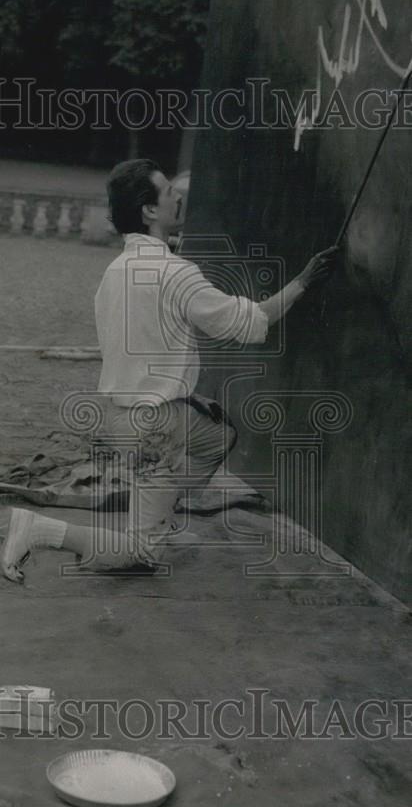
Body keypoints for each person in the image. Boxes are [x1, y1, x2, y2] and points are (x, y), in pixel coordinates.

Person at [1, 159, 337, 582]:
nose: (178, 195)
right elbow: (252, 321)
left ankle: (161, 508)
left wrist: (184, 396)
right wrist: (304, 280)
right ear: (149, 211)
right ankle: (40, 529)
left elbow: (142, 356)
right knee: (138, 554)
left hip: (123, 419)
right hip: (157, 428)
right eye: (167, 192)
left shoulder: (113, 272)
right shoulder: (176, 273)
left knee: (221, 432)